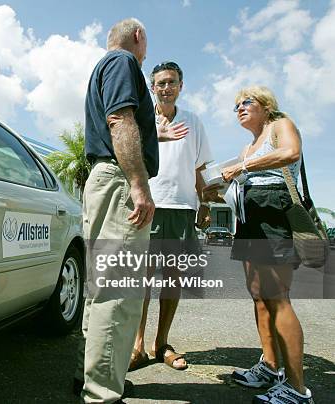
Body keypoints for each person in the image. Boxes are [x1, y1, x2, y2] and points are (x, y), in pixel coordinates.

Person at [74, 18, 158, 403]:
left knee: (100, 287)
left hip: (102, 179)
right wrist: (138, 184)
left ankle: (92, 378)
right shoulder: (124, 62)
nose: (145, 51)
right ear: (138, 36)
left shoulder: (104, 67)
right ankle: (102, 394)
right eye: (146, 43)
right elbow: (120, 120)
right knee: (118, 290)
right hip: (119, 178)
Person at [220, 86, 313, 403]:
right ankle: (271, 367)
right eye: (236, 106)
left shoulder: (279, 124)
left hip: (274, 212)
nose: (240, 108)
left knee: (277, 298)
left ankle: (298, 390)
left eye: (246, 102)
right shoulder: (247, 147)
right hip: (249, 217)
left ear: (266, 105)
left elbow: (290, 152)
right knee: (259, 296)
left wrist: (242, 168)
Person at [128, 61, 213, 372]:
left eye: (172, 82)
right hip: (148, 204)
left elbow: (198, 168)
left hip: (182, 208)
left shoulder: (194, 122)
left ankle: (161, 343)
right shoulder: (140, 119)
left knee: (173, 280)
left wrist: (203, 202)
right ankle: (137, 346)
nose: (166, 87)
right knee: (143, 280)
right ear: (153, 88)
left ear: (181, 86)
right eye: (161, 82)